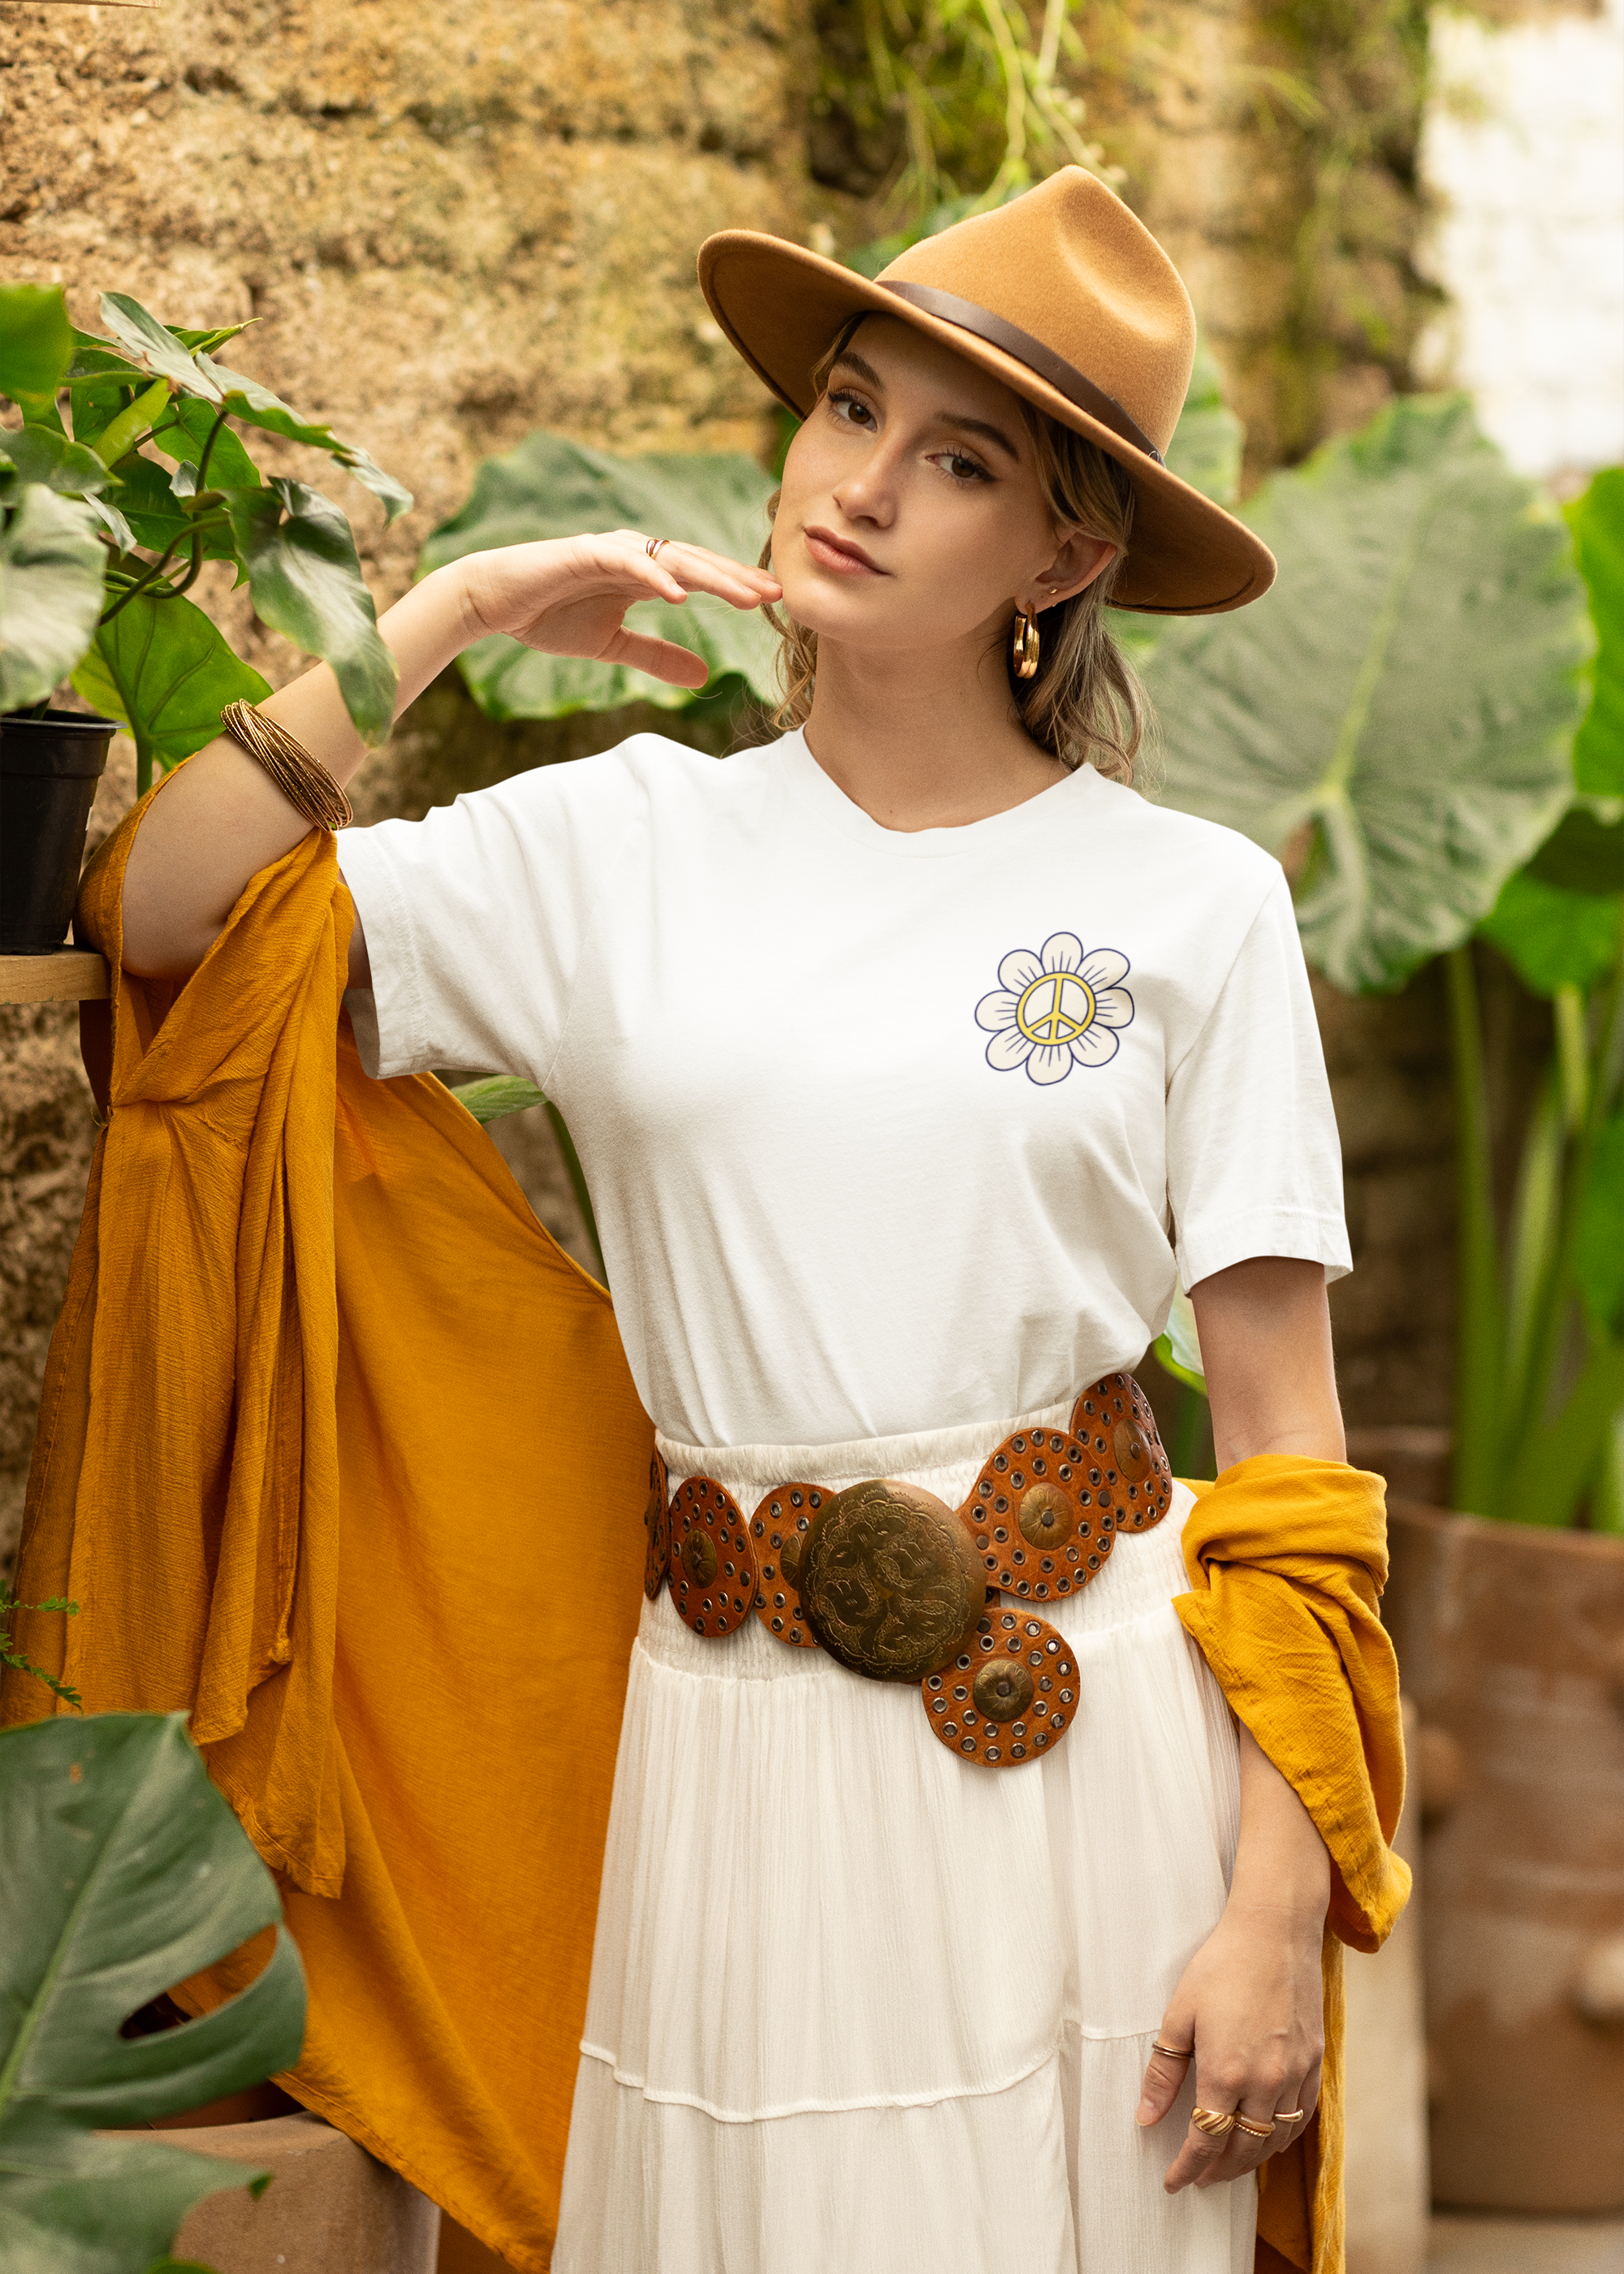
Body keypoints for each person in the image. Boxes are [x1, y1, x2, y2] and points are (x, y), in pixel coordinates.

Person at [119, 170, 1367, 2272]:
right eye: (848, 409)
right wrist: (456, 613)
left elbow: (1292, 1455)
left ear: (1067, 552)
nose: (860, 484)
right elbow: (167, 913)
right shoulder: (620, 847)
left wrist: (1270, 1908)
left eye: (956, 459)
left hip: (1078, 1763)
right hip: (726, 1763)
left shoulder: (1191, 906)